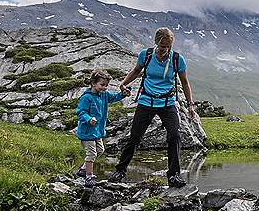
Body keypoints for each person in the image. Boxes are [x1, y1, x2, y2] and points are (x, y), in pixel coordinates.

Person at [110, 28, 197, 187]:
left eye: (168, 47)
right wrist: (123, 84)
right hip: (146, 101)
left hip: (167, 103)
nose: (165, 50)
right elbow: (136, 71)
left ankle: (173, 176)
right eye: (163, 46)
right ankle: (120, 170)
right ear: (157, 43)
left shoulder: (177, 59)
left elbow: (185, 82)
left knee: (174, 135)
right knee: (135, 137)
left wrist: (191, 104)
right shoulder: (146, 55)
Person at [74, 69, 129, 184]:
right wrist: (89, 119)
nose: (104, 88)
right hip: (87, 131)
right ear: (93, 83)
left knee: (100, 150)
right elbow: (80, 112)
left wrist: (122, 94)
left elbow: (114, 97)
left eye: (106, 85)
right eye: (102, 85)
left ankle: (83, 169)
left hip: (97, 131)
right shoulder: (86, 97)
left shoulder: (104, 95)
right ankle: (89, 177)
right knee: (92, 154)